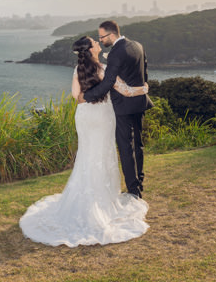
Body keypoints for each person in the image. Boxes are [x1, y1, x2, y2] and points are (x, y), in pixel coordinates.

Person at [19, 35, 149, 246]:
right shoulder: (105, 69)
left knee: (88, 154)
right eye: (94, 43)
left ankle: (86, 200)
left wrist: (88, 96)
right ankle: (102, 201)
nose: (98, 43)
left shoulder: (78, 70)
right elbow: (124, 90)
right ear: (90, 50)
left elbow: (76, 96)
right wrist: (143, 89)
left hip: (85, 117)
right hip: (103, 116)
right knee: (103, 154)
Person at [83, 20, 152, 198]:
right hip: (139, 102)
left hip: (123, 106)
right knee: (138, 144)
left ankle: (133, 191)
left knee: (126, 148)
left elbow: (108, 82)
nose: (100, 40)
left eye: (102, 37)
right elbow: (144, 72)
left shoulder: (116, 53)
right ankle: (139, 182)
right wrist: (140, 90)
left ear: (112, 34)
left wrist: (88, 96)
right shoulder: (137, 45)